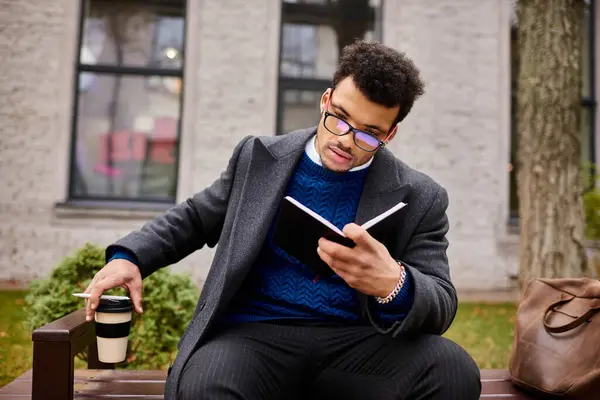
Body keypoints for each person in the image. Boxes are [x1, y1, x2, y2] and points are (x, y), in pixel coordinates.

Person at [84, 40, 481, 400]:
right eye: (340, 119)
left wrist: (394, 285)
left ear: (390, 135)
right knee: (204, 386)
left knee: (453, 371)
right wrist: (129, 256)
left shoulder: (421, 196)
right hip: (252, 337)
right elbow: (192, 219)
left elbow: (441, 302)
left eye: (368, 134)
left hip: (357, 345)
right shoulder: (259, 158)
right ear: (326, 100)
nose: (345, 140)